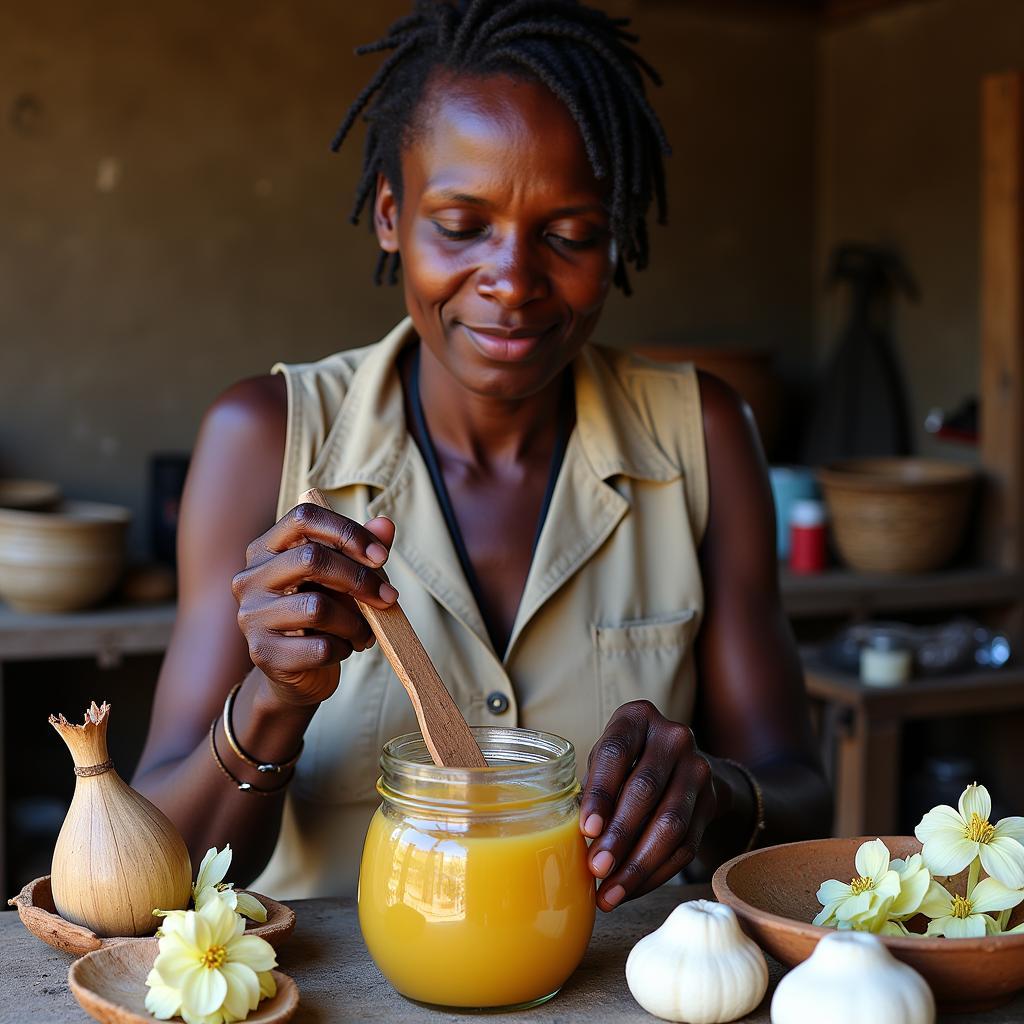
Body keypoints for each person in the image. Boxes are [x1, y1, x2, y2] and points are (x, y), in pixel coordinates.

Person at [133, 0, 832, 910]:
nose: (513, 281)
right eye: (462, 225)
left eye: (571, 235)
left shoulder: (702, 435)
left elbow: (804, 799)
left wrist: (714, 797)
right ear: (391, 215)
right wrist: (273, 698)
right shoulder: (265, 440)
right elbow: (149, 867)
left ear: (618, 236)